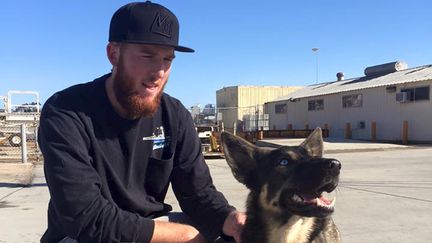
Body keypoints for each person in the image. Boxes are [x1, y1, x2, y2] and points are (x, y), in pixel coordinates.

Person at [38, 1, 245, 243]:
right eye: (147, 55)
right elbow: (86, 218)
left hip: (150, 226)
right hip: (81, 236)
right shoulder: (66, 112)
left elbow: (198, 194)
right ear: (114, 54)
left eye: (168, 59)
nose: (159, 71)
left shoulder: (174, 114)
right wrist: (185, 235)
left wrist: (230, 219)